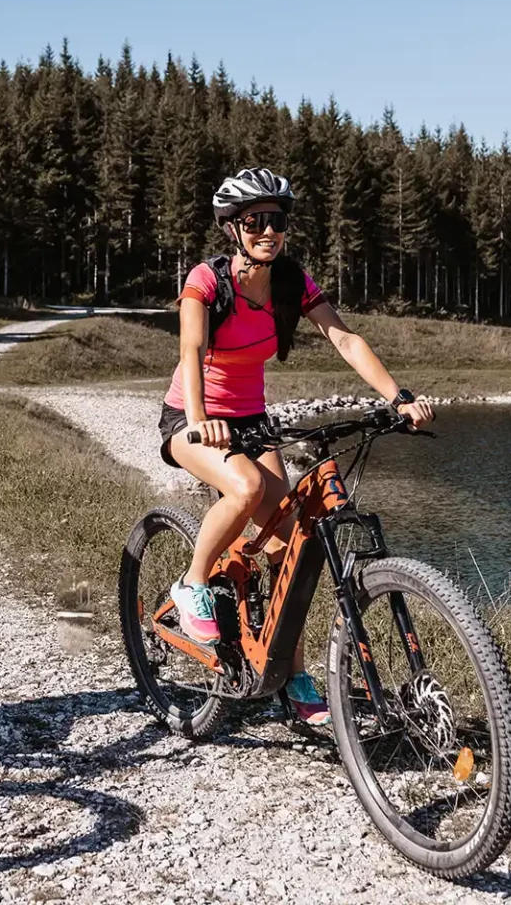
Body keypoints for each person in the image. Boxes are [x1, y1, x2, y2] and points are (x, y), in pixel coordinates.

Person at [159, 167, 434, 725]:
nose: (268, 230)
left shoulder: (291, 281)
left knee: (294, 546)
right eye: (255, 221)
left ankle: (291, 672)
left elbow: (344, 337)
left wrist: (397, 396)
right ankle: (191, 585)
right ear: (233, 227)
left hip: (254, 420)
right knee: (246, 487)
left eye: (277, 221)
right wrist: (198, 419)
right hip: (193, 418)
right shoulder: (207, 282)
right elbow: (191, 351)